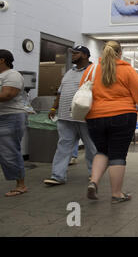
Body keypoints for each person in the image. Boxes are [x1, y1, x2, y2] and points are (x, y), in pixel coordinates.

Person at [82, 41, 138, 203]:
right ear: (120, 53)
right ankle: (116, 193)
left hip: (95, 117)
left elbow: (82, 92)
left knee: (101, 151)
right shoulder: (127, 70)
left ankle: (94, 182)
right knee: (117, 155)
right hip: (123, 116)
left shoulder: (91, 70)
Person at [44, 45, 97, 186]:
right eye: (72, 53)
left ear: (85, 55)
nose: (73, 55)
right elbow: (60, 93)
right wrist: (54, 107)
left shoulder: (95, 71)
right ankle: (57, 175)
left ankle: (94, 175)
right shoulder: (69, 72)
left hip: (86, 117)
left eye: (76, 53)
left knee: (91, 147)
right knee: (63, 146)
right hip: (65, 117)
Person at [0, 50, 28, 197]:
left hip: (10, 118)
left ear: (2, 60)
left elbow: (7, 94)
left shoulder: (13, 75)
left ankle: (21, 185)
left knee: (10, 152)